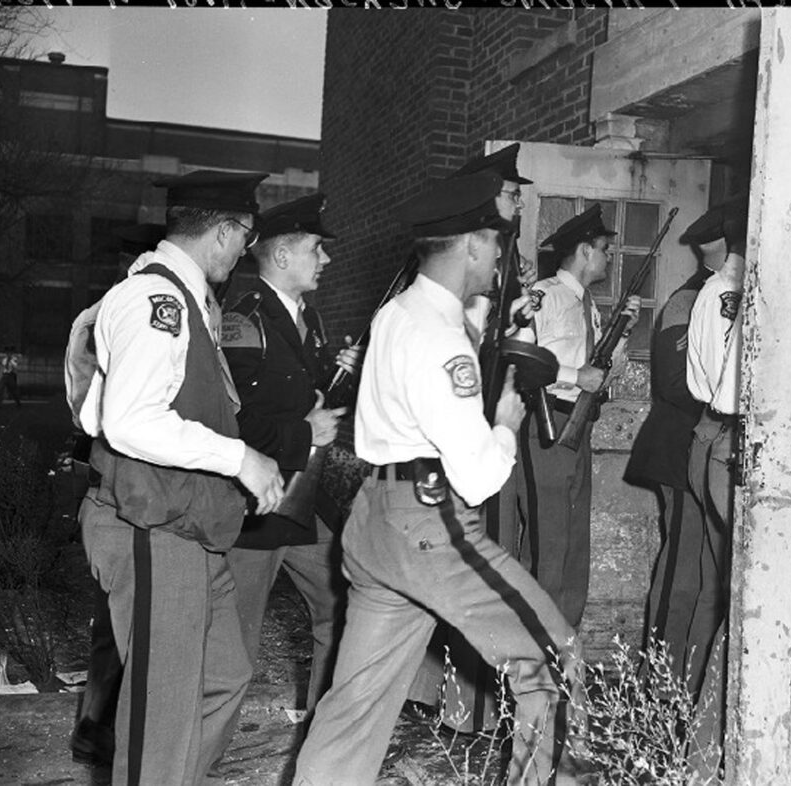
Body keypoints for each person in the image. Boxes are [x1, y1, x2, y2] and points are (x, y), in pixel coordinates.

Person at [292, 172, 582, 785]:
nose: (501, 256)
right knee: (553, 665)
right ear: (474, 244)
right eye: (496, 243)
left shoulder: (399, 314)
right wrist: (504, 424)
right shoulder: (442, 339)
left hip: (375, 520)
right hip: (432, 522)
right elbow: (477, 478)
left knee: (354, 710)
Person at [75, 169, 285, 785]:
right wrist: (240, 458)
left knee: (225, 676)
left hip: (182, 524)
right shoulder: (154, 302)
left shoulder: (188, 300)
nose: (244, 252)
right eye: (245, 239)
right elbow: (130, 421)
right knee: (160, 718)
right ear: (224, 232)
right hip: (148, 527)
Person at [405, 142, 539, 734]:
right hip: (462, 430)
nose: (516, 204)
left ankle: (474, 704)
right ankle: (454, 703)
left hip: (485, 423)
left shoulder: (509, 260)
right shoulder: (462, 262)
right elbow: (461, 340)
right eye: (511, 194)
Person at [221, 192, 352, 717]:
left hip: (301, 502)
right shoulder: (242, 319)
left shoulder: (309, 320)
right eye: (317, 249)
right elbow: (231, 419)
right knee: (232, 647)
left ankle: (324, 730)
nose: (326, 259)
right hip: (255, 507)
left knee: (341, 607)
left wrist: (341, 373)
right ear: (281, 257)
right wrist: (304, 432)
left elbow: (308, 394)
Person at [66, 222, 166, 768]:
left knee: (114, 621)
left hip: (115, 480)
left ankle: (97, 724)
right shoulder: (117, 318)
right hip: (120, 483)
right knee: (121, 622)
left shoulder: (102, 317)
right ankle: (101, 727)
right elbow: (91, 411)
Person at [522, 204, 640, 629]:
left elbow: (602, 374)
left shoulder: (587, 304)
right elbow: (522, 361)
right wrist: (576, 374)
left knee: (574, 544)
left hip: (579, 427)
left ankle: (563, 638)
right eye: (605, 249)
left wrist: (622, 331)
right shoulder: (545, 296)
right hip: (550, 423)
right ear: (585, 251)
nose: (609, 257)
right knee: (549, 542)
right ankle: (534, 642)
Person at [623, 249, 712, 692]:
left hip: (707, 450)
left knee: (701, 574)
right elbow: (676, 383)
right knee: (681, 570)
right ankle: (655, 680)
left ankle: (687, 680)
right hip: (680, 448)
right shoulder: (690, 300)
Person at [683, 194, 748, 776]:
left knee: (719, 586)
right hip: (734, 445)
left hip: (716, 440)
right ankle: (709, 748)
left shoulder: (711, 293)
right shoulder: (731, 298)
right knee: (742, 596)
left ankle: (692, 723)